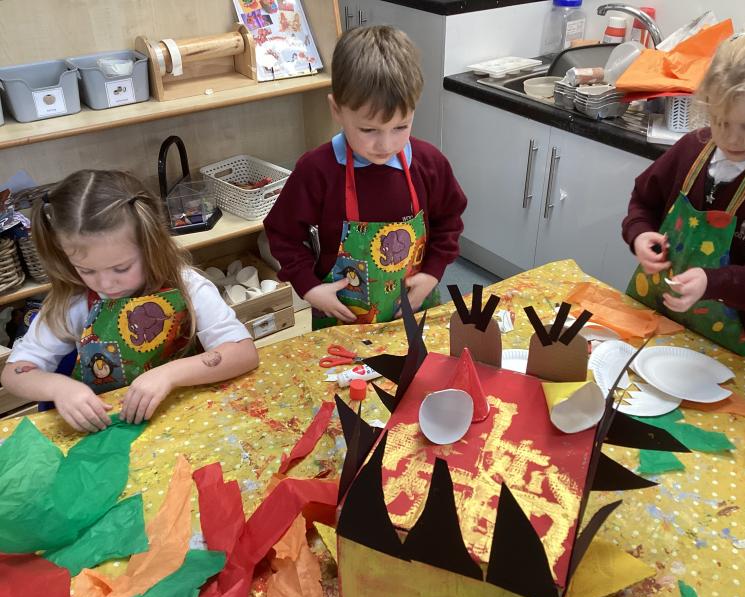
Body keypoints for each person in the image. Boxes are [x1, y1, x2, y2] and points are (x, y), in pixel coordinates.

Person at [0, 170, 259, 432]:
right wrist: (59, 388)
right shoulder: (72, 302)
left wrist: (169, 374)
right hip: (109, 427)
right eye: (86, 270)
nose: (105, 284)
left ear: (152, 246)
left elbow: (243, 353)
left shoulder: (187, 285)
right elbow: (13, 374)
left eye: (121, 268)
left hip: (187, 418)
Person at [264, 25, 467, 329]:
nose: (385, 144)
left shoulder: (429, 164)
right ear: (337, 109)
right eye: (369, 130)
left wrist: (432, 273)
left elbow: (449, 220)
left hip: (414, 308)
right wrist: (310, 287)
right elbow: (283, 234)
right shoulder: (317, 170)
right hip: (341, 320)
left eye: (401, 127)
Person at [622, 25, 745, 359]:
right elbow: (644, 201)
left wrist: (713, 282)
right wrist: (640, 233)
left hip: (728, 341)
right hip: (654, 313)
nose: (731, 139)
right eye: (720, 120)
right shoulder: (692, 148)